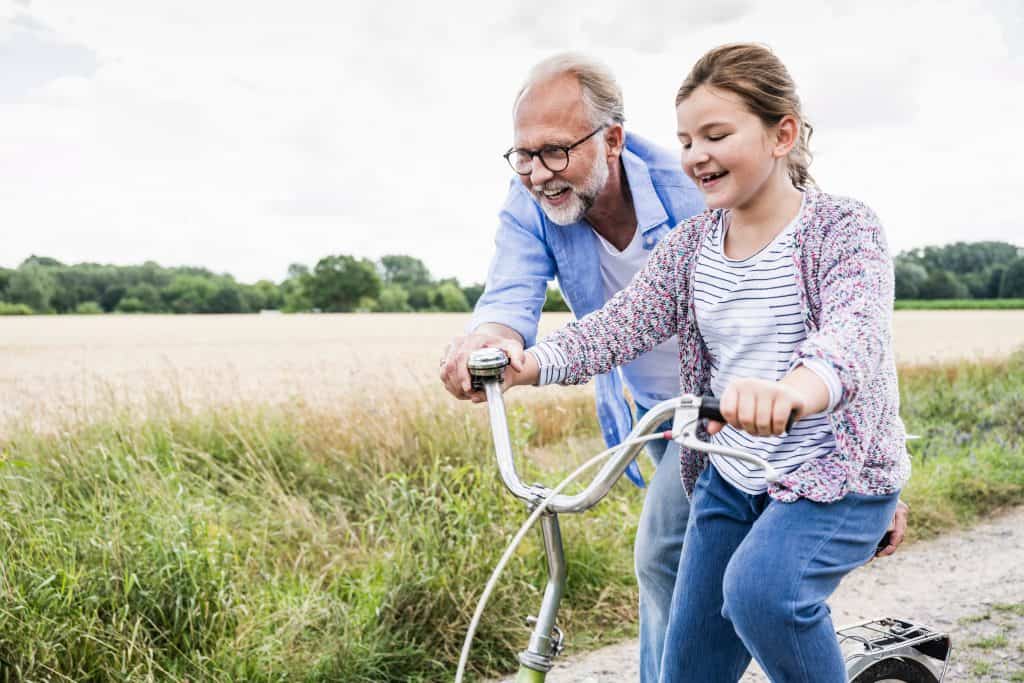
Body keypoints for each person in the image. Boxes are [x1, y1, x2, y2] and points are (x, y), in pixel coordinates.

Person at [474, 43, 911, 681]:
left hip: (831, 478)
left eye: (716, 134)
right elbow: (622, 324)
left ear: (782, 133)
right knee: (689, 662)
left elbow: (854, 335)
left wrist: (794, 390)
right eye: (685, 140)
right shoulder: (694, 244)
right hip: (731, 471)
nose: (695, 155)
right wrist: (528, 364)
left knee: (762, 596)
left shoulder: (844, 230)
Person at [439, 53, 704, 681]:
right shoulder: (529, 200)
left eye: (555, 152)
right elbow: (509, 294)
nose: (537, 173)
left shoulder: (693, 187)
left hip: (727, 403)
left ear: (612, 140)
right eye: (523, 154)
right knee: (691, 565)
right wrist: (493, 345)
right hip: (652, 412)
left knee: (663, 555)